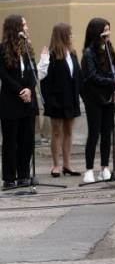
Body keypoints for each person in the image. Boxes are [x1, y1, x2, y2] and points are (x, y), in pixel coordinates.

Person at [80, 18, 115, 185]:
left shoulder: (109, 49)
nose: (108, 33)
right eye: (105, 30)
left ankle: (104, 167)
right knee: (94, 133)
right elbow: (91, 76)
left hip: (108, 97)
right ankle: (89, 170)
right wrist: (112, 82)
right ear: (97, 32)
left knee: (107, 133)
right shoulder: (88, 53)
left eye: (109, 30)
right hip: (94, 99)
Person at [38, 23, 82, 177]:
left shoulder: (73, 54)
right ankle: (56, 165)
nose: (72, 37)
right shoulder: (51, 56)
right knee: (56, 133)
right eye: (70, 34)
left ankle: (67, 165)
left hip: (71, 99)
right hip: (56, 100)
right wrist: (48, 102)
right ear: (63, 36)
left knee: (69, 132)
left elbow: (78, 77)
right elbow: (45, 82)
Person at [0, 15, 38, 189]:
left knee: (27, 140)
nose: (27, 28)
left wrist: (29, 89)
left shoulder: (27, 49)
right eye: (24, 25)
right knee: (11, 141)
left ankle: (24, 175)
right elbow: (4, 75)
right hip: (11, 101)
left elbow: (33, 72)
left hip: (28, 101)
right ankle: (9, 177)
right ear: (15, 28)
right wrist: (19, 90)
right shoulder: (2, 49)